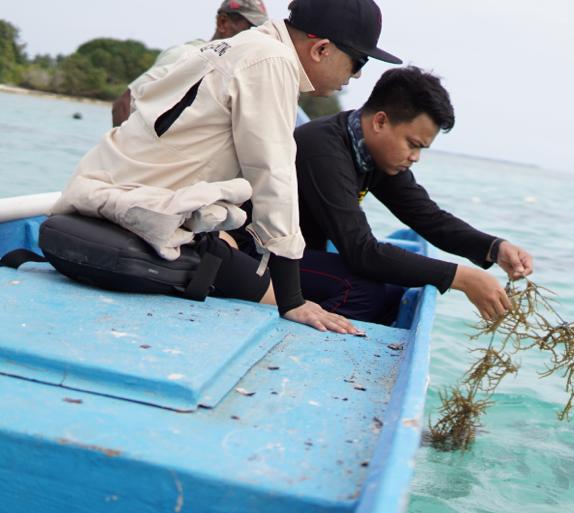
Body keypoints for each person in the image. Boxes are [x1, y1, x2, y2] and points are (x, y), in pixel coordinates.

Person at [51, 0, 402, 334]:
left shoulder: (234, 47)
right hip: (140, 225)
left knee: (239, 254)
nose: (355, 76)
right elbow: (273, 175)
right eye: (359, 62)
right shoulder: (273, 61)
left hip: (97, 202)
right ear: (321, 48)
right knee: (334, 299)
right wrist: (292, 300)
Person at [272, 66, 533, 324]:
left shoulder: (375, 155)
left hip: (300, 255)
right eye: (413, 144)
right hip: (261, 255)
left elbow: (429, 218)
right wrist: (461, 278)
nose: (415, 157)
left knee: (393, 292)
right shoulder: (323, 149)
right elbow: (361, 252)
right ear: (380, 121)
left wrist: (495, 248)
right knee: (363, 290)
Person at [112, 0, 270, 127]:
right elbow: (123, 105)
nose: (255, 38)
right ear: (222, 22)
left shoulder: (230, 71)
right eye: (251, 28)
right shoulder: (186, 54)